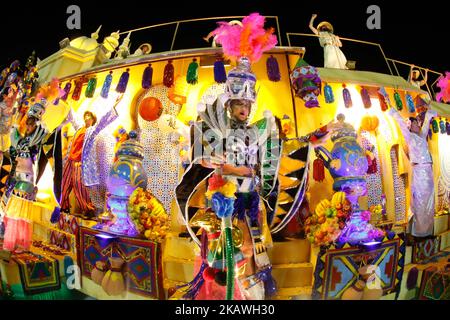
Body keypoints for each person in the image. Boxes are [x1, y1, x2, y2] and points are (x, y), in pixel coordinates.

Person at [60, 94, 122, 219]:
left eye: (89, 116)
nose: (86, 118)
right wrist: (65, 102)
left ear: (93, 119)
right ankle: (63, 205)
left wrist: (115, 105)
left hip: (80, 163)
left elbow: (104, 121)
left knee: (79, 186)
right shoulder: (79, 128)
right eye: (85, 116)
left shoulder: (93, 131)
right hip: (70, 161)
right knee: (64, 184)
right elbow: (72, 117)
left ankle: (87, 209)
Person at [388, 106, 437, 237]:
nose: (417, 124)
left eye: (417, 122)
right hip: (420, 171)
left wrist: (430, 114)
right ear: (410, 126)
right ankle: (418, 233)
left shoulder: (421, 136)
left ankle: (427, 231)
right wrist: (393, 111)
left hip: (428, 172)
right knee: (420, 202)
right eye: (415, 123)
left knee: (429, 202)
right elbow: (400, 123)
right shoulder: (409, 137)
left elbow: (426, 125)